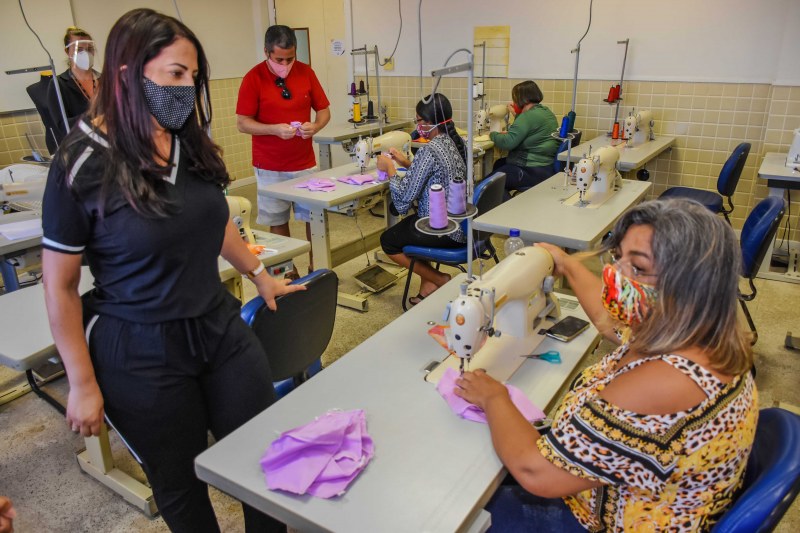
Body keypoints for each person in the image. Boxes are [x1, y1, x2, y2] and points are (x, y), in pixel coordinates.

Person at [41, 9, 301, 532]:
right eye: (175, 74)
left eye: (193, 75)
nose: (186, 88)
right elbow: (60, 285)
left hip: (217, 325)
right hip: (141, 348)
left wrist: (259, 273)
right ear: (127, 73)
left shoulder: (185, 138)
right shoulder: (82, 161)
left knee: (263, 460)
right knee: (181, 485)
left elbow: (214, 219)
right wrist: (82, 382)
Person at [456, 198, 758, 531]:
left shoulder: (666, 381)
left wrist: (493, 397)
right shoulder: (695, 334)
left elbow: (536, 472)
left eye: (638, 268)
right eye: (618, 258)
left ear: (691, 286)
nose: (616, 275)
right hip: (609, 490)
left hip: (599, 520)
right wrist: (566, 264)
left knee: (462, 508)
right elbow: (609, 322)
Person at [237, 25, 330, 275]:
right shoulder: (253, 78)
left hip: (304, 163)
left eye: (290, 58)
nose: (285, 65)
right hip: (269, 165)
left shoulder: (306, 72)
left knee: (313, 217)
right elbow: (243, 123)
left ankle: (317, 264)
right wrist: (273, 129)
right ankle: (287, 270)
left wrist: (315, 126)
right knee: (277, 220)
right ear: (266, 52)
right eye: (279, 59)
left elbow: (323, 110)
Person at [377, 93, 468, 306]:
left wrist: (390, 168)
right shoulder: (454, 142)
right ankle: (428, 286)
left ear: (429, 122)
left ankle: (439, 279)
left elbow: (403, 201)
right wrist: (407, 163)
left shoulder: (429, 149)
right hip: (460, 224)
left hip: (442, 229)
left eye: (418, 121)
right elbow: (436, 173)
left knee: (389, 240)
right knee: (410, 227)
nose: (417, 126)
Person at [489, 80, 559, 198]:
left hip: (531, 170)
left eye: (515, 98)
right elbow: (528, 131)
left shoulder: (527, 116)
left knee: (488, 187)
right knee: (499, 164)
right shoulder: (545, 112)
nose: (514, 101)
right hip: (546, 167)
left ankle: (506, 206)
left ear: (522, 99)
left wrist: (492, 135)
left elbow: (508, 142)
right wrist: (516, 118)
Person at [46, 26, 99, 146]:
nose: (86, 54)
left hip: (109, 146)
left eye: (89, 49)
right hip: (79, 147)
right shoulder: (59, 84)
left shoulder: (106, 80)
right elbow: (62, 126)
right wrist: (97, 115)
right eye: (79, 49)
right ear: (67, 51)